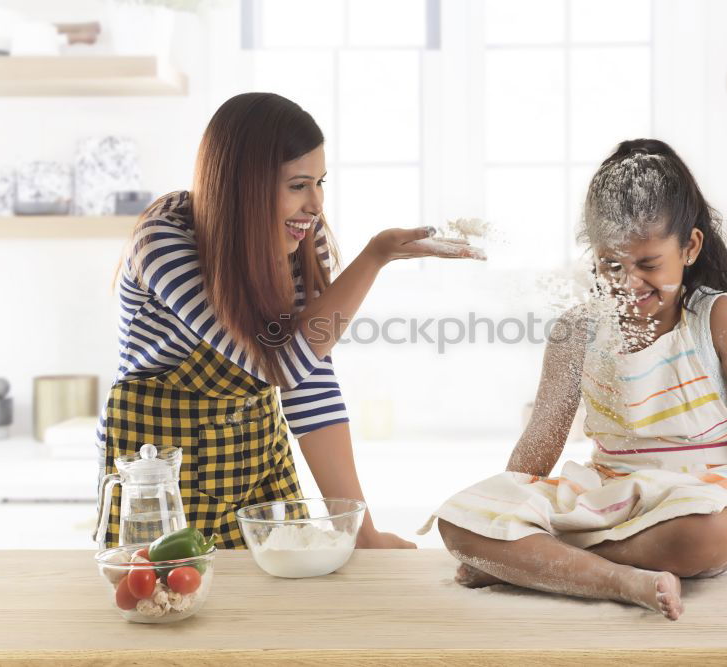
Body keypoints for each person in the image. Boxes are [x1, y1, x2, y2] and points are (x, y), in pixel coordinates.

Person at [421, 138, 727, 620]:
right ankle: (617, 580)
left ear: (690, 247)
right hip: (608, 501)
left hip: (701, 502)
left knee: (709, 533)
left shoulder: (717, 319)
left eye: (648, 264)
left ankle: (542, 566)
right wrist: (500, 513)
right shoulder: (577, 330)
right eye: (612, 264)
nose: (629, 283)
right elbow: (536, 450)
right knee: (458, 523)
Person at [95, 92, 480, 550]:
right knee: (171, 601)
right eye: (298, 186)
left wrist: (360, 531)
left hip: (255, 453)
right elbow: (279, 366)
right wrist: (375, 257)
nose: (315, 204)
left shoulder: (298, 238)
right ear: (244, 185)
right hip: (159, 465)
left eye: (320, 182)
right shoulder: (163, 243)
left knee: (287, 609)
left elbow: (310, 382)